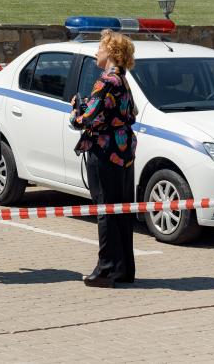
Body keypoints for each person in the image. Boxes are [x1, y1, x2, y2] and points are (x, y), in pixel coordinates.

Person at [70, 29, 137, 288]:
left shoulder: (106, 80)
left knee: (105, 210)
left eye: (99, 47)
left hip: (105, 152)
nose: (96, 52)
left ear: (110, 51)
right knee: (121, 210)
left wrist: (75, 112)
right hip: (123, 152)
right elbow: (128, 112)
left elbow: (87, 119)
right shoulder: (122, 79)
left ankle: (106, 269)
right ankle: (123, 268)